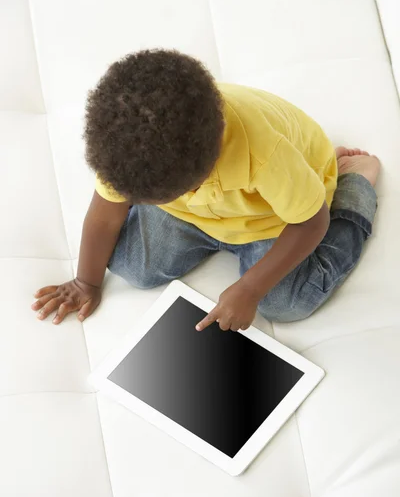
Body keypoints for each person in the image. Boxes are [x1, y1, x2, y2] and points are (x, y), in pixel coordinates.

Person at [32, 49, 380, 332]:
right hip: (192, 213)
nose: (130, 201)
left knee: (286, 303)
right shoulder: (122, 151)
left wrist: (250, 289)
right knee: (129, 266)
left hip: (273, 218)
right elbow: (105, 218)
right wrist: (85, 283)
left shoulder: (263, 154)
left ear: (200, 174)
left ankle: (355, 184)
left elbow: (310, 224)